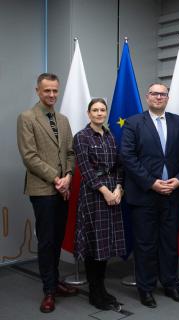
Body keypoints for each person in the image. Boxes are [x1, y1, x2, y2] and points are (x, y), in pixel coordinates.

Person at [121, 83, 179, 308]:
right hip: (144, 195)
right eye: (154, 93)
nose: (158, 97)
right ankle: (145, 288)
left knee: (170, 243)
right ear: (147, 97)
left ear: (167, 98)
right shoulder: (133, 123)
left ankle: (170, 284)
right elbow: (127, 157)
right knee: (145, 244)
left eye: (162, 94)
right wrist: (152, 183)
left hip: (173, 194)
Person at [17, 73, 78, 313]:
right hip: (43, 189)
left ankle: (55, 282)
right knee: (46, 241)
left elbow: (71, 153)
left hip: (63, 188)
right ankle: (48, 291)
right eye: (47, 91)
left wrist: (69, 177)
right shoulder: (27, 118)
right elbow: (29, 157)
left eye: (55, 91)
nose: (52, 95)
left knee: (57, 239)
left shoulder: (62, 120)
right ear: (37, 91)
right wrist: (56, 178)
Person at [73, 98, 125, 310]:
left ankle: (102, 288)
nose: (99, 113)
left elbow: (120, 166)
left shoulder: (111, 136)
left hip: (113, 192)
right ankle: (94, 293)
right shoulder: (81, 137)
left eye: (102, 110)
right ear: (88, 113)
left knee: (105, 243)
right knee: (94, 243)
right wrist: (105, 191)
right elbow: (85, 170)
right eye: (95, 110)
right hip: (94, 194)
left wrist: (119, 188)